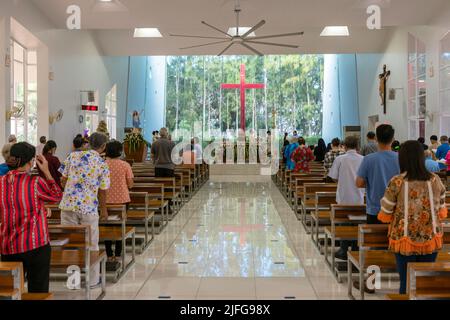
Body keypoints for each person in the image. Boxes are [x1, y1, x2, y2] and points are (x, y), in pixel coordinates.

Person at [378, 141, 447, 295]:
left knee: (406, 281)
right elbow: (441, 208)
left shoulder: (397, 181)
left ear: (402, 158)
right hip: (430, 236)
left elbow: (386, 211)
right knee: (425, 281)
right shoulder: (435, 179)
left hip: (404, 237)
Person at [0, 142, 62, 293]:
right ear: (30, 162)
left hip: (9, 246)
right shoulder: (35, 183)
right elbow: (57, 196)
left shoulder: (1, 183)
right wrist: (46, 171)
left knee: (12, 290)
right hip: (36, 245)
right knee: (38, 290)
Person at [59, 132, 110, 287]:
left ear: (87, 142)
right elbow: (103, 191)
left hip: (68, 205)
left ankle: (72, 281)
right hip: (89, 207)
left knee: (70, 243)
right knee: (91, 243)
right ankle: (93, 280)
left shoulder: (72, 156)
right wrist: (104, 210)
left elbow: (63, 179)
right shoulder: (102, 164)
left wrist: (70, 190)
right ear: (103, 146)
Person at [355, 124, 400, 293]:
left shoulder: (369, 159)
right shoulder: (400, 158)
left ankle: (372, 284)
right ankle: (403, 280)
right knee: (398, 244)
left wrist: (372, 182)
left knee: (375, 247)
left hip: (375, 209)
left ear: (376, 139)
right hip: (397, 210)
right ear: (393, 139)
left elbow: (358, 183)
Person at [328, 136, 365, 260]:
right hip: (359, 196)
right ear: (357, 146)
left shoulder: (340, 159)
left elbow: (333, 176)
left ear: (345, 146)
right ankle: (355, 247)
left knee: (343, 221)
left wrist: (342, 181)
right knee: (357, 222)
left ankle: (343, 249)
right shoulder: (363, 159)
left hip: (343, 195)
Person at [105, 140, 134, 263]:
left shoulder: (102, 164)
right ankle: (117, 254)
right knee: (120, 225)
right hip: (122, 199)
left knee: (106, 226)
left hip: (104, 200)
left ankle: (108, 253)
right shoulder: (125, 165)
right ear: (120, 151)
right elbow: (130, 184)